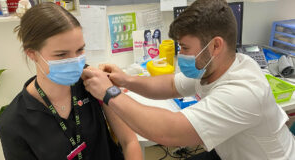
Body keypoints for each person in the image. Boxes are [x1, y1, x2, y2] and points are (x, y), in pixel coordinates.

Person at [81, 0, 295, 159]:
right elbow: (171, 84)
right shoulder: (221, 65)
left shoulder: (243, 92)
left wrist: (110, 93)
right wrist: (126, 80)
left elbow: (169, 131)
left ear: (215, 46)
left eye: (184, 47)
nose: (181, 54)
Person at [0, 3, 142, 160]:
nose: (74, 62)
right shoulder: (13, 122)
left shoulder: (94, 81)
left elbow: (130, 142)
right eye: (61, 55)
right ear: (32, 53)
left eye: (79, 50)